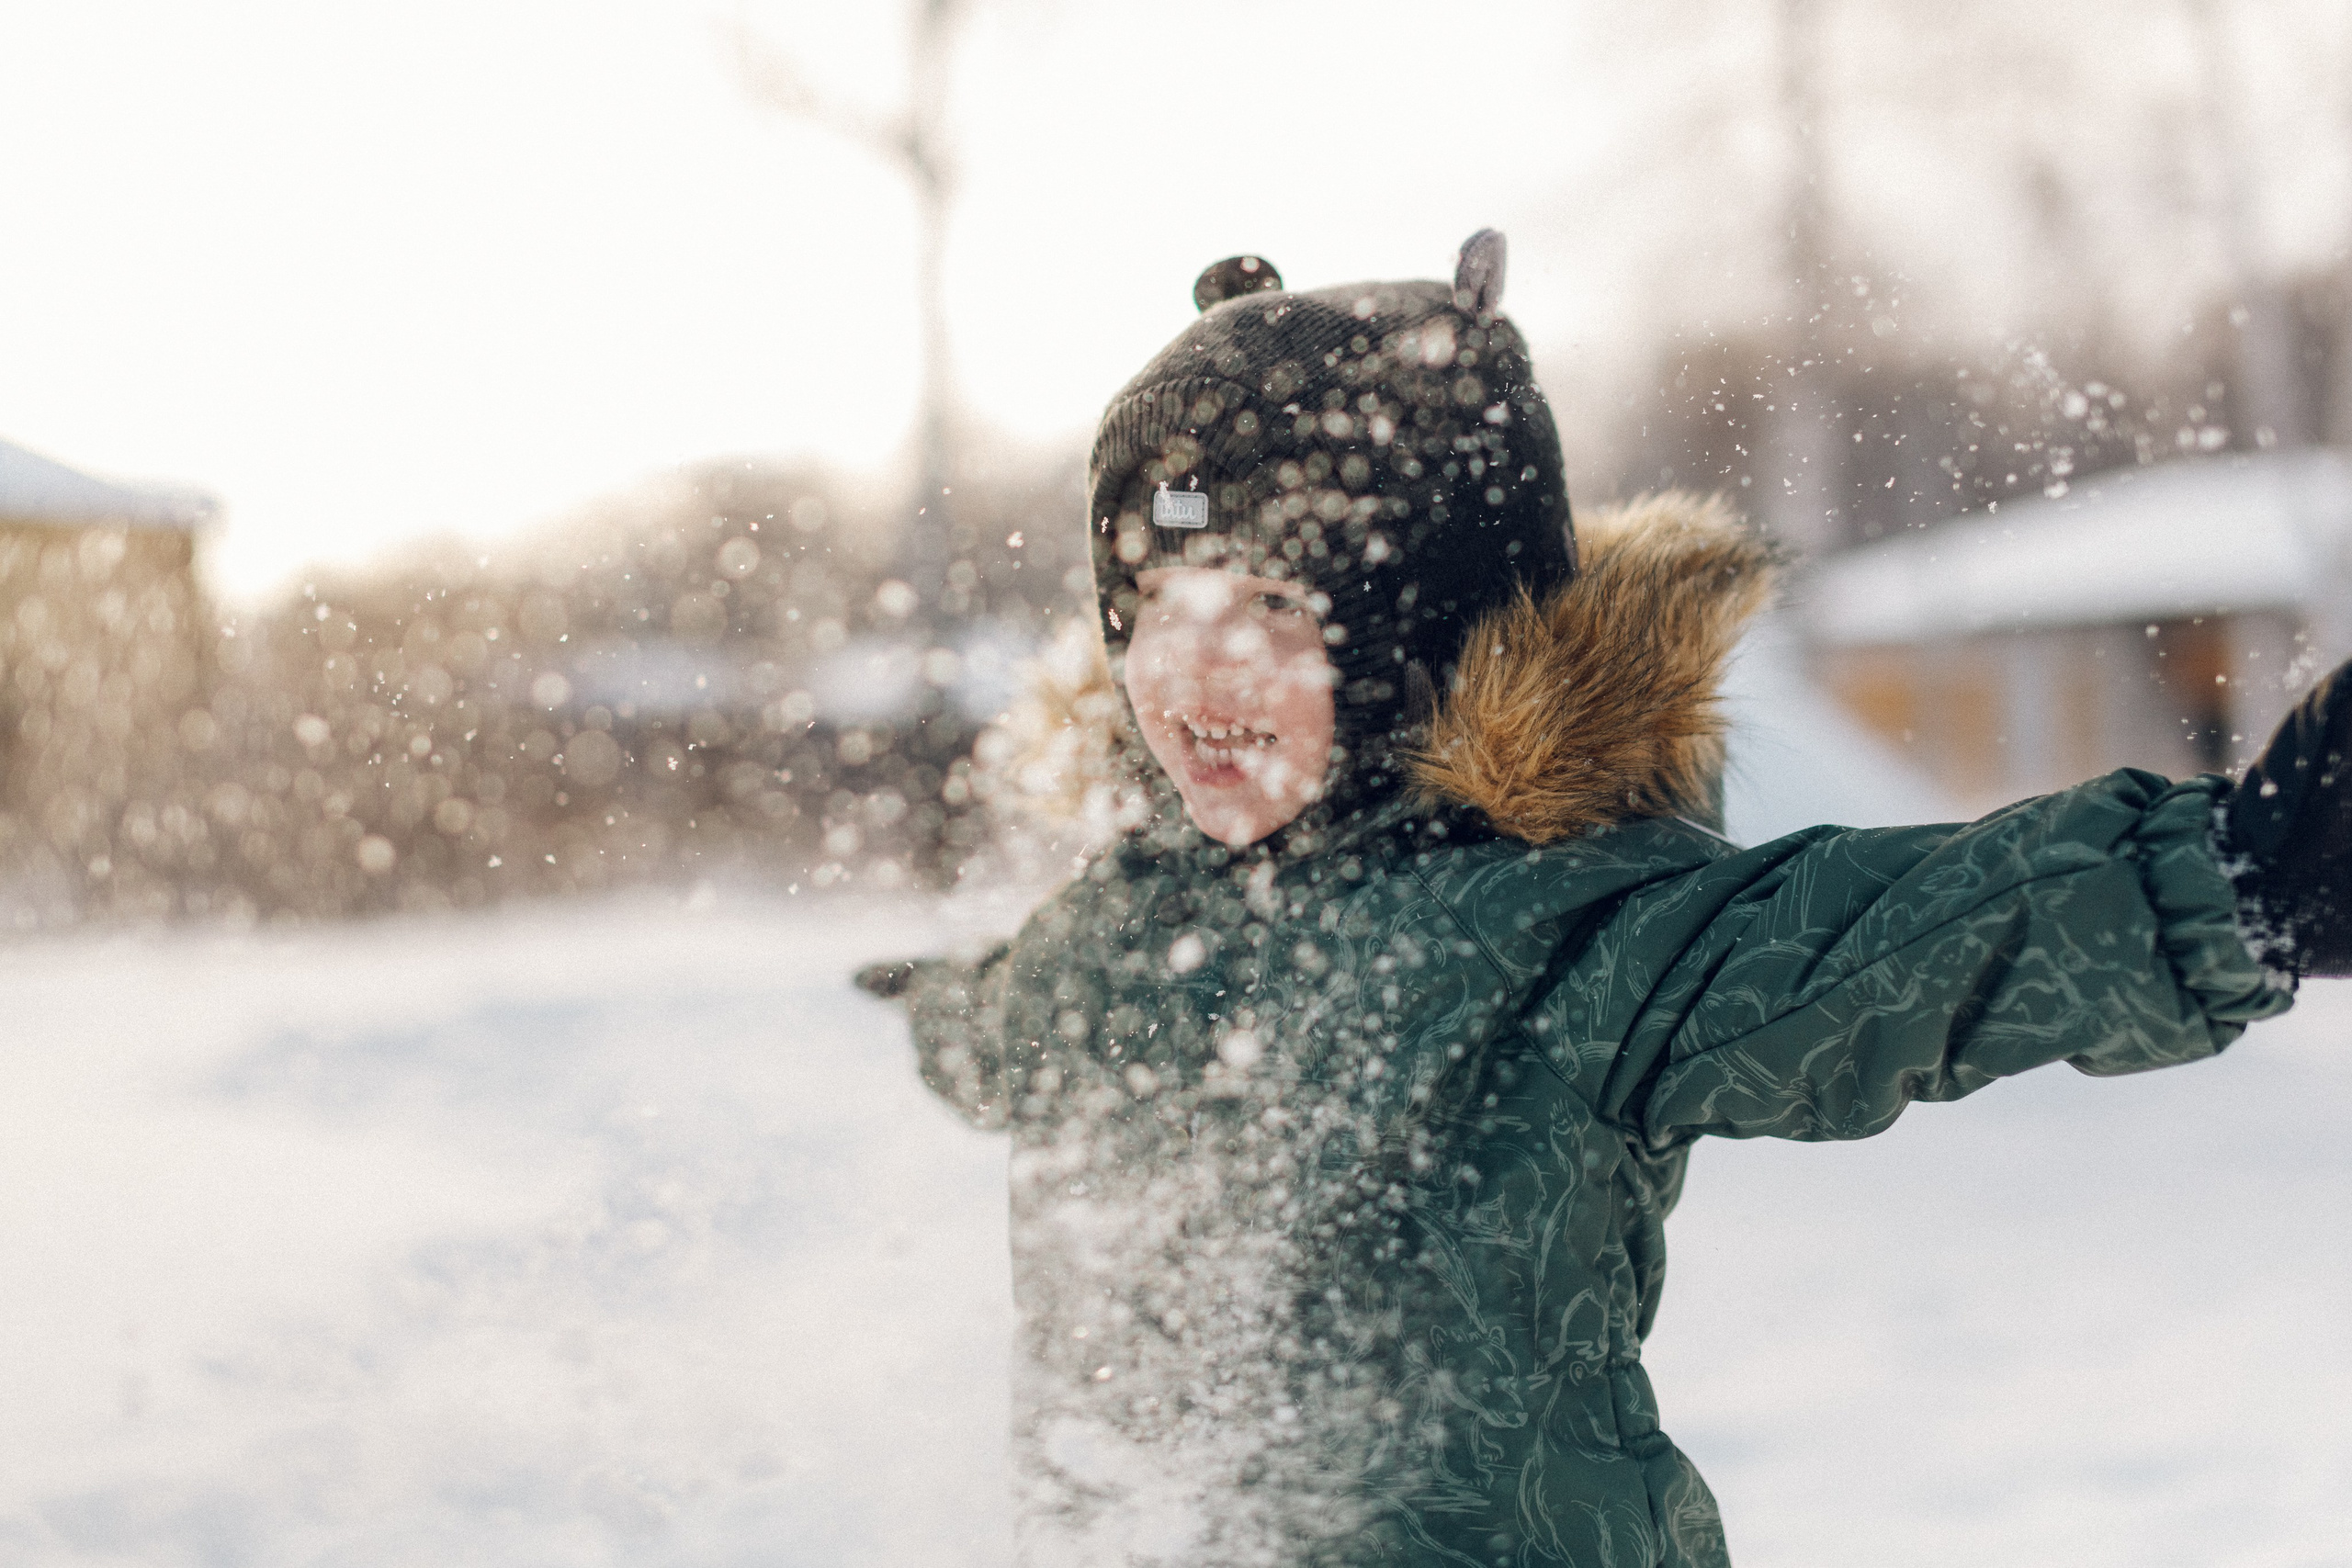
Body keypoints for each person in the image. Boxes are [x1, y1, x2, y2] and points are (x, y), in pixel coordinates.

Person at [857, 231, 2346, 1567]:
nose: (1193, 674)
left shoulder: (1569, 935)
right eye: (1148, 610)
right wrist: (939, 1007)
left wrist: (2227, 885)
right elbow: (1014, 1023)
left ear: (1422, 635)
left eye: (1269, 608)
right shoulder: (1123, 922)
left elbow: (1882, 944)